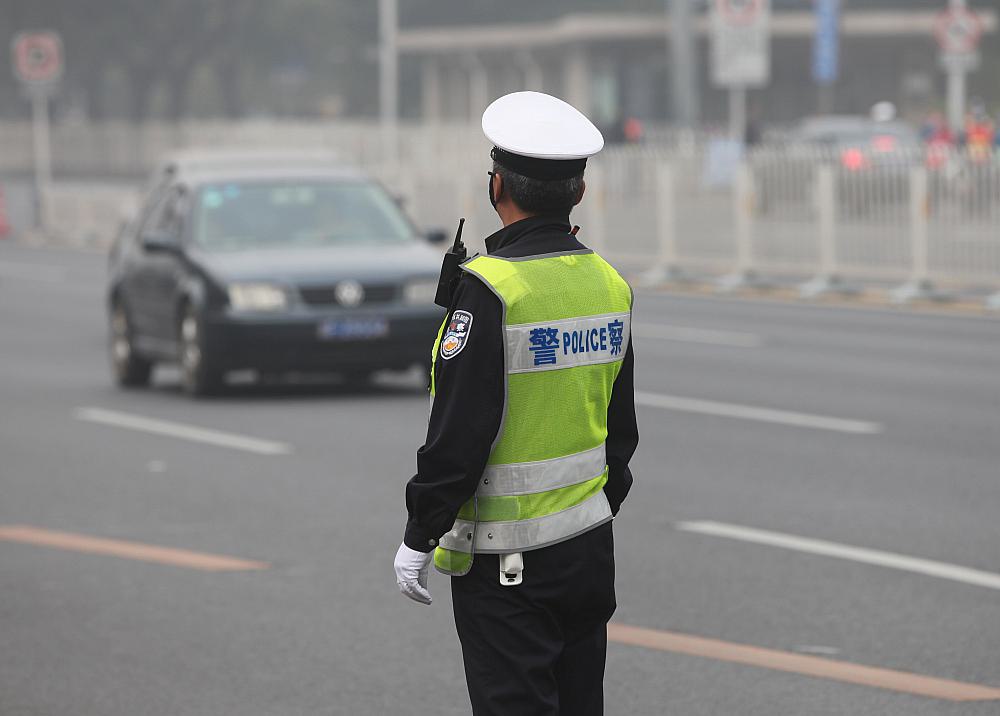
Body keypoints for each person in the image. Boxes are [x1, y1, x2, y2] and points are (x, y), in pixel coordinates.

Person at [393, 91, 638, 716]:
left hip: (508, 568)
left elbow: (459, 436)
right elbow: (622, 432)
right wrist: (590, 512)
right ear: (579, 193)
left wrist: (420, 534)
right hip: (588, 552)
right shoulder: (609, 283)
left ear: (495, 184)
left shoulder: (491, 292)